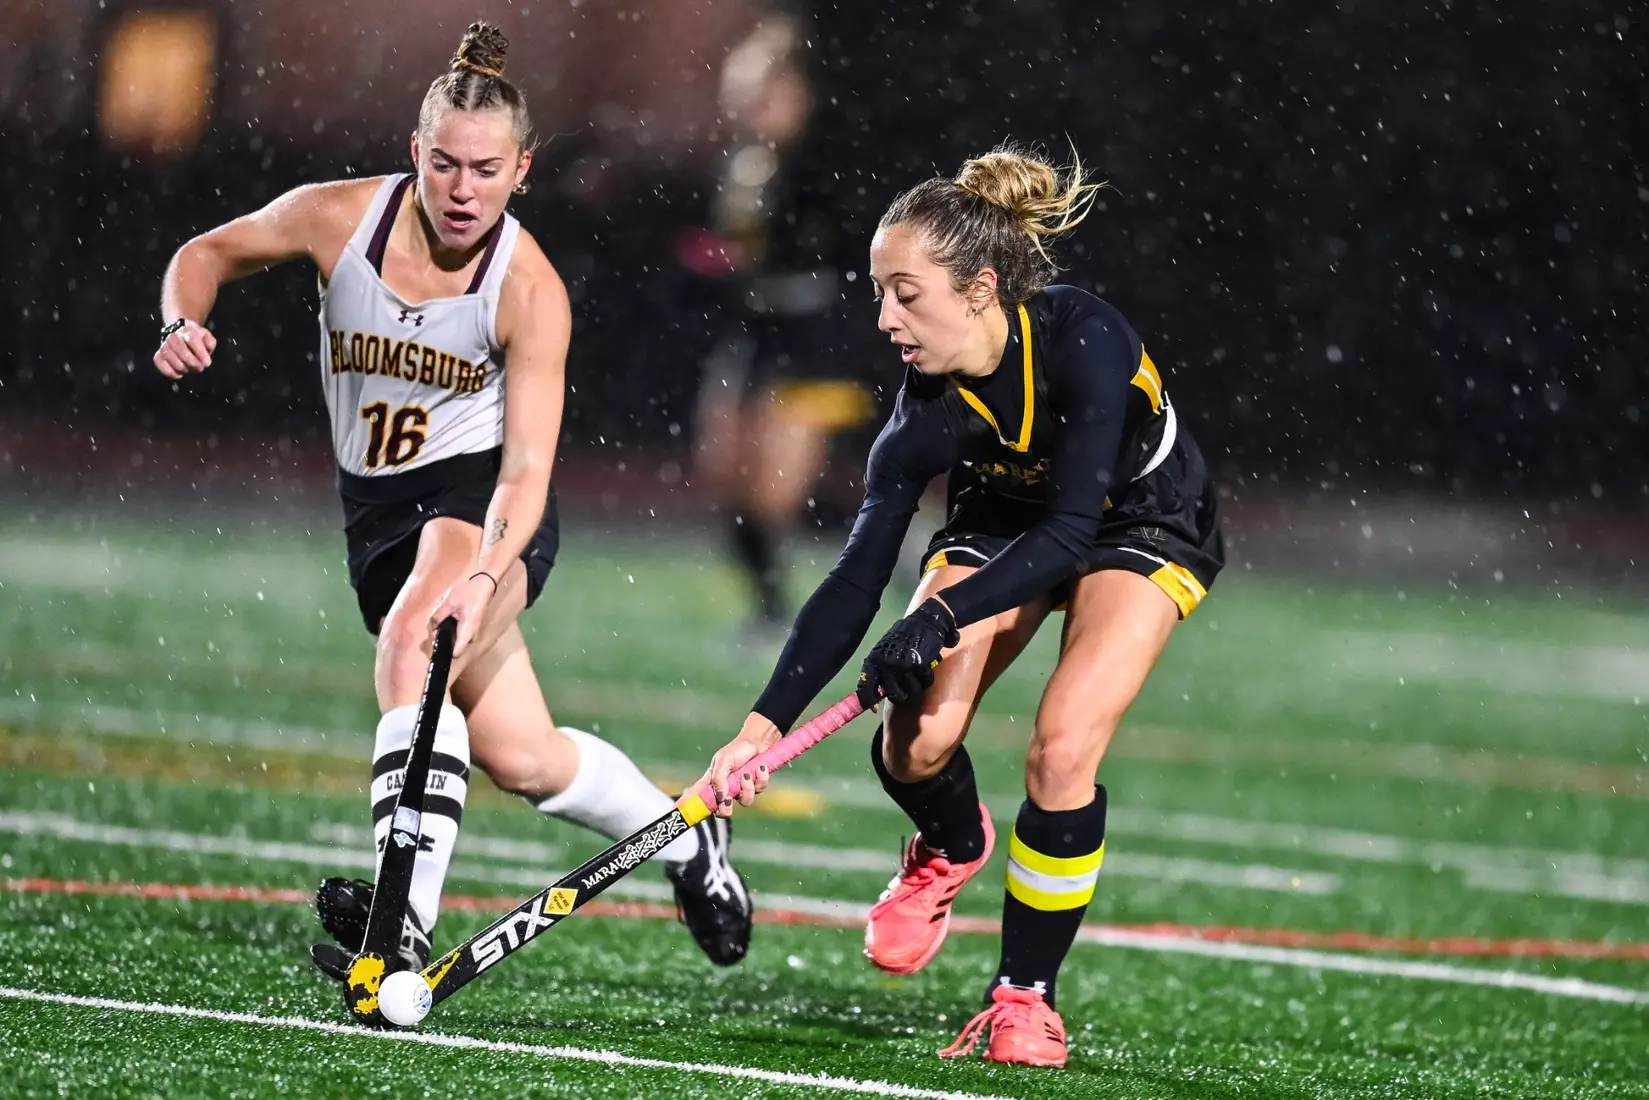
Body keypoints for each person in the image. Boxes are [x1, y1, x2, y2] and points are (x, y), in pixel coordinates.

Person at [153, 21, 751, 977]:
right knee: (522, 758)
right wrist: (182, 317)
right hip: (377, 512)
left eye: (485, 170)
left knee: (412, 638)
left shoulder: (527, 289)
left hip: (486, 503)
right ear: (415, 156)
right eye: (444, 166)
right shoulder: (335, 218)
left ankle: (399, 925)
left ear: (522, 170)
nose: (462, 190)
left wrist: (481, 572)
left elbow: (525, 470)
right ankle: (688, 844)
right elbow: (207, 250)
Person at [699, 145, 1224, 1068]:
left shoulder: (1086, 341)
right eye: (877, 292)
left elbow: (1071, 536)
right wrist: (757, 727)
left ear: (980, 287)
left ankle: (1024, 996)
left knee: (1062, 748)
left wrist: (936, 618)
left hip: (1136, 521)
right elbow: (855, 582)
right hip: (1002, 517)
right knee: (916, 740)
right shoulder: (920, 414)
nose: (884, 317)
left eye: (907, 293)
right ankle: (949, 843)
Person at [679, 13, 886, 631]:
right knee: (721, 470)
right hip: (753, 331)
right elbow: (725, 250)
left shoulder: (830, 158)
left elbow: (849, 246)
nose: (744, 107)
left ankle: (892, 554)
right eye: (738, 94)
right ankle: (770, 607)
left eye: (760, 93)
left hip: (814, 331)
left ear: (797, 92)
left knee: (775, 488)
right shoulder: (743, 163)